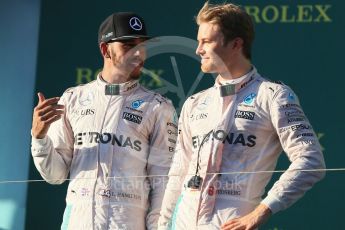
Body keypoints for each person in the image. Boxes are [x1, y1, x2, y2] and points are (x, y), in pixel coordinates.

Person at [158, 2, 325, 230]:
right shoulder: (194, 104)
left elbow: (311, 160)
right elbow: (178, 173)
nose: (198, 50)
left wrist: (262, 211)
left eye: (206, 41)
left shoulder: (273, 96)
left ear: (236, 44)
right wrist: (162, 226)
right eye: (198, 41)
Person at [31, 12, 177, 230]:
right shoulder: (73, 99)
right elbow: (55, 175)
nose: (138, 54)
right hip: (78, 223)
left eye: (142, 45)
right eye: (128, 46)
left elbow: (163, 181)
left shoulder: (158, 106)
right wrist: (40, 138)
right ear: (105, 49)